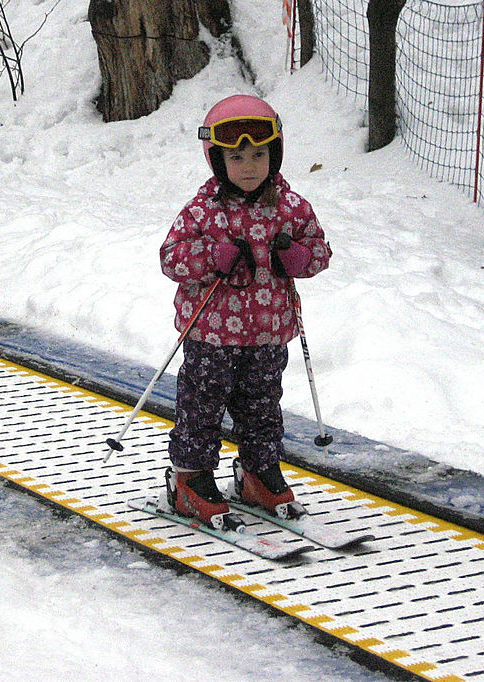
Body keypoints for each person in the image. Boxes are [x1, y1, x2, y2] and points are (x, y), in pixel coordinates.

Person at [158, 94, 332, 530]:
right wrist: (211, 256)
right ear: (217, 160)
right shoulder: (204, 210)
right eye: (237, 158)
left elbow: (318, 251)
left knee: (262, 409)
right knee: (202, 408)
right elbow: (170, 257)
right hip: (212, 336)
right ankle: (191, 478)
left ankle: (258, 471)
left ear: (275, 154)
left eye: (259, 155)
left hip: (269, 336)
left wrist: (296, 258)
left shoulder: (290, 207)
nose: (250, 166)